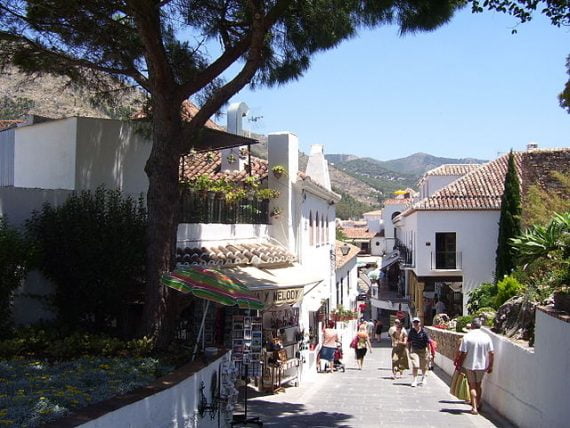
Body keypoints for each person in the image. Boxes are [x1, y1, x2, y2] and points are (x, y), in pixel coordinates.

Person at [455, 317, 494, 415]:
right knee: (478, 385)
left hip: (469, 365)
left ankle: (474, 407)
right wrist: (490, 366)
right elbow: (492, 353)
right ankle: (478, 403)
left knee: (472, 386)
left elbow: (463, 353)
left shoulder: (467, 337)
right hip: (482, 366)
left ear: (472, 325)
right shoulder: (486, 337)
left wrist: (459, 364)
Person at [407, 316, 430, 387]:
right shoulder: (411, 331)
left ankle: (423, 377)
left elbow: (428, 343)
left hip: (423, 350)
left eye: (417, 322)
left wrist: (429, 353)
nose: (416, 324)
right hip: (414, 350)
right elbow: (409, 342)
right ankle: (414, 380)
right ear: (413, 323)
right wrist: (408, 351)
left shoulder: (424, 332)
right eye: (414, 322)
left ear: (420, 323)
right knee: (415, 365)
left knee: (424, 366)